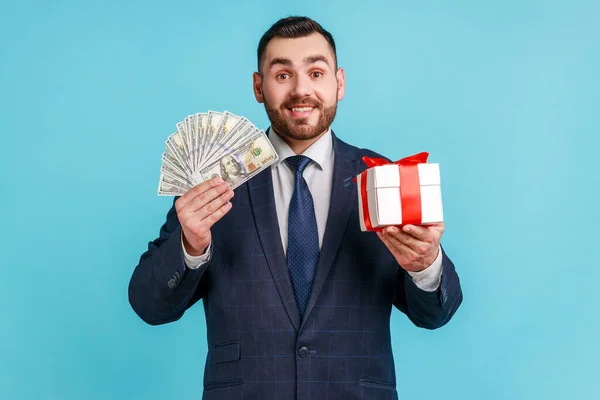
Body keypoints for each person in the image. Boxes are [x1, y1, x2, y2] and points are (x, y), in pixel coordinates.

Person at [129, 16, 462, 400]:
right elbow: (149, 306)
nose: (302, 90)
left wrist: (425, 265)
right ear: (259, 87)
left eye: (316, 72)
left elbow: (434, 314)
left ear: (339, 83)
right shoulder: (213, 181)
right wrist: (189, 246)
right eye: (283, 75)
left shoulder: (383, 177)